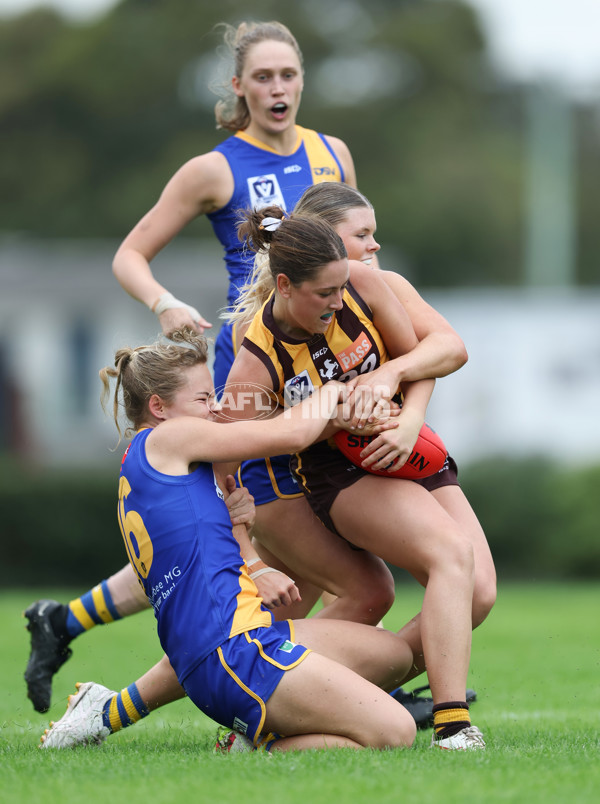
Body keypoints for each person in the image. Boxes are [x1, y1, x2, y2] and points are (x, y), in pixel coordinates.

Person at [24, 18, 397, 716]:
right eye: (263, 76)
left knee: (252, 560)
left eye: (288, 74)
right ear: (239, 87)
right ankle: (308, 692)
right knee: (241, 544)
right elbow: (130, 255)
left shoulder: (333, 153)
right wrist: (164, 303)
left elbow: (354, 239)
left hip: (317, 359)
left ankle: (74, 633)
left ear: (303, 80)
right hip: (251, 370)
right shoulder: (214, 169)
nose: (277, 88)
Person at [45, 327, 418, 754]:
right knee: (396, 733)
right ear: (158, 407)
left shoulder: (156, 462)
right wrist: (334, 390)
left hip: (234, 644)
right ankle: (258, 746)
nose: (218, 406)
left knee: (393, 655)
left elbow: (202, 544)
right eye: (204, 399)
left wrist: (244, 536)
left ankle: (260, 726)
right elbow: (287, 436)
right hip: (232, 655)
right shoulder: (169, 438)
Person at [219, 208, 487, 749]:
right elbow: (231, 453)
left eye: (342, 287)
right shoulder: (254, 362)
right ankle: (452, 722)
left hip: (404, 442)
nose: (339, 301)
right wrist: (328, 418)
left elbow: (428, 355)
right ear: (286, 286)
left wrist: (398, 396)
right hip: (333, 474)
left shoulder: (360, 281)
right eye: (325, 294)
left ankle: (301, 695)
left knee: (477, 591)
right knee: (441, 559)